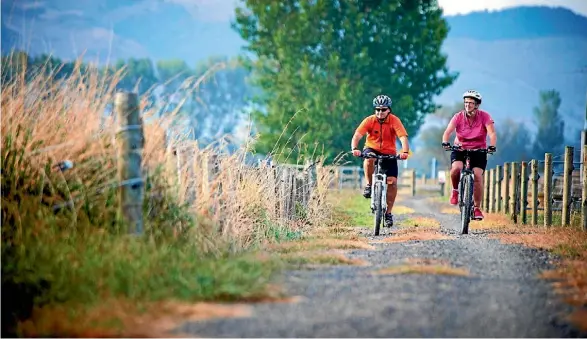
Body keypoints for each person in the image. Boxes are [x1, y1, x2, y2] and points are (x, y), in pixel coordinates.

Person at [350, 94, 410, 228]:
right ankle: (369, 185)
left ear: (389, 110)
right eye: (377, 109)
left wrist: (405, 152)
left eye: (383, 110)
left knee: (393, 182)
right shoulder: (369, 120)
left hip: (389, 152)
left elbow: (403, 137)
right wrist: (354, 148)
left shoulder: (395, 121)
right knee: (369, 158)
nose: (380, 112)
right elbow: (357, 135)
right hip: (372, 148)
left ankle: (388, 213)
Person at [441, 90, 497, 220]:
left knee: (477, 176)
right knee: (456, 169)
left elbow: (492, 133)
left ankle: (477, 208)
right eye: (466, 103)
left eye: (471, 103)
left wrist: (492, 145)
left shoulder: (485, 116)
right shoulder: (458, 116)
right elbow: (448, 131)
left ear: (477, 105)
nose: (468, 105)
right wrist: (445, 141)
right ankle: (455, 191)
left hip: (479, 150)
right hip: (460, 148)